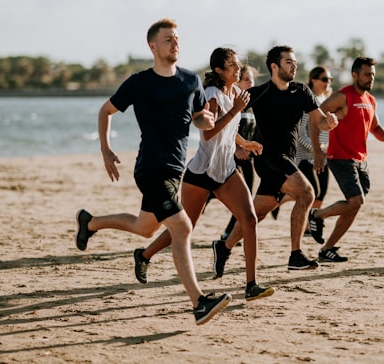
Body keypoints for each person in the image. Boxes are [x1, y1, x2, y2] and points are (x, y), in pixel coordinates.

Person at [74, 18, 231, 325]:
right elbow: (106, 111)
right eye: (168, 39)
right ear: (153, 46)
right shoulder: (139, 82)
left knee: (145, 228)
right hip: (150, 169)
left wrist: (206, 121)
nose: (175, 44)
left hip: (174, 170)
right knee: (182, 228)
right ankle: (199, 302)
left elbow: (198, 117)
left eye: (177, 39)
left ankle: (90, 222)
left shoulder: (191, 80)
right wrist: (105, 149)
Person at [133, 48, 274, 302]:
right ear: (219, 70)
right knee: (186, 226)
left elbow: (228, 130)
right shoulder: (212, 95)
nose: (238, 68)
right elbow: (208, 133)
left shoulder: (235, 94)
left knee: (249, 219)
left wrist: (244, 143)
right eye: (232, 65)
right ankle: (144, 255)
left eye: (238, 64)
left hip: (226, 170)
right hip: (201, 172)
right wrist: (235, 111)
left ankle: (251, 285)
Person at [212, 45, 339, 275]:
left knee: (257, 214)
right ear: (274, 66)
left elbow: (319, 121)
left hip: (288, 158)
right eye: (289, 62)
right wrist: (239, 145)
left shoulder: (301, 91)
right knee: (307, 193)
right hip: (268, 157)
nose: (294, 66)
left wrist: (329, 123)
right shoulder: (259, 93)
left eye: (295, 62)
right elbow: (228, 118)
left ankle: (224, 246)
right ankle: (295, 254)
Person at [307, 56, 384, 262]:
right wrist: (317, 150)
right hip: (340, 157)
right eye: (367, 74)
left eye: (373, 75)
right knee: (356, 201)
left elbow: (375, 129)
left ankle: (327, 249)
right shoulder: (342, 96)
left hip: (360, 160)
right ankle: (317, 215)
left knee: (354, 206)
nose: (371, 78)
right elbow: (314, 119)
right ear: (355, 75)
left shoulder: (370, 100)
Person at [220, 64, 259, 240]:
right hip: (229, 158)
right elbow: (222, 128)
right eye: (246, 80)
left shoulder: (252, 105)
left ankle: (229, 232)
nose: (251, 83)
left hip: (247, 160)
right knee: (208, 196)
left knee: (246, 198)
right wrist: (236, 148)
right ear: (237, 82)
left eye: (252, 80)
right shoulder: (232, 103)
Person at [295, 66, 334, 240]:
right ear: (313, 80)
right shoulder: (308, 100)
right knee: (312, 191)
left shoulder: (327, 100)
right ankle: (305, 224)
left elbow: (328, 130)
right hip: (305, 156)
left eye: (330, 79)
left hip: (323, 154)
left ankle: (311, 224)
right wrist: (316, 148)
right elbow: (300, 133)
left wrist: (327, 149)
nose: (328, 82)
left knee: (322, 192)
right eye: (325, 79)